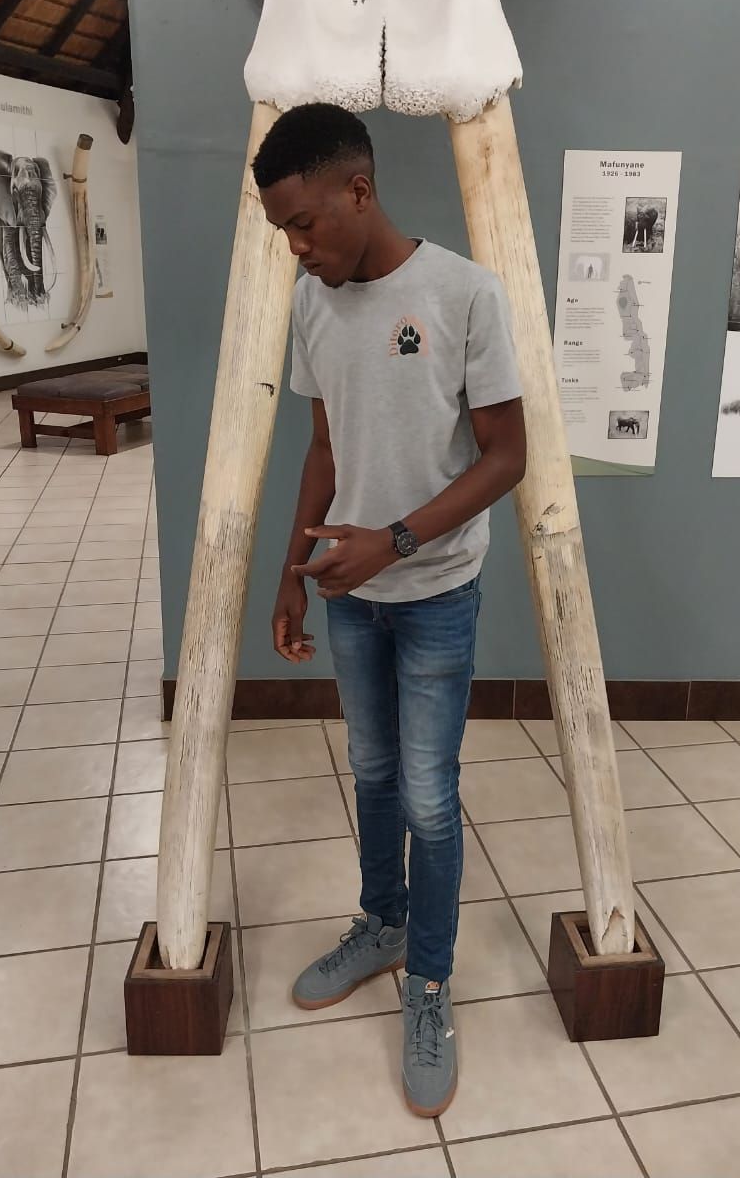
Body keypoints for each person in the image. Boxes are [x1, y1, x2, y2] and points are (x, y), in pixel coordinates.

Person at [255, 104, 526, 1118]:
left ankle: (431, 982)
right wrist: (292, 567)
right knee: (369, 771)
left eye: (304, 223)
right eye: (283, 229)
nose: (297, 244)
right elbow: (325, 447)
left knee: (426, 794)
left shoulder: (465, 293)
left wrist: (396, 540)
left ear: (357, 191)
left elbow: (508, 455)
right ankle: (383, 919)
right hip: (347, 597)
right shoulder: (312, 302)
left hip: (435, 594)